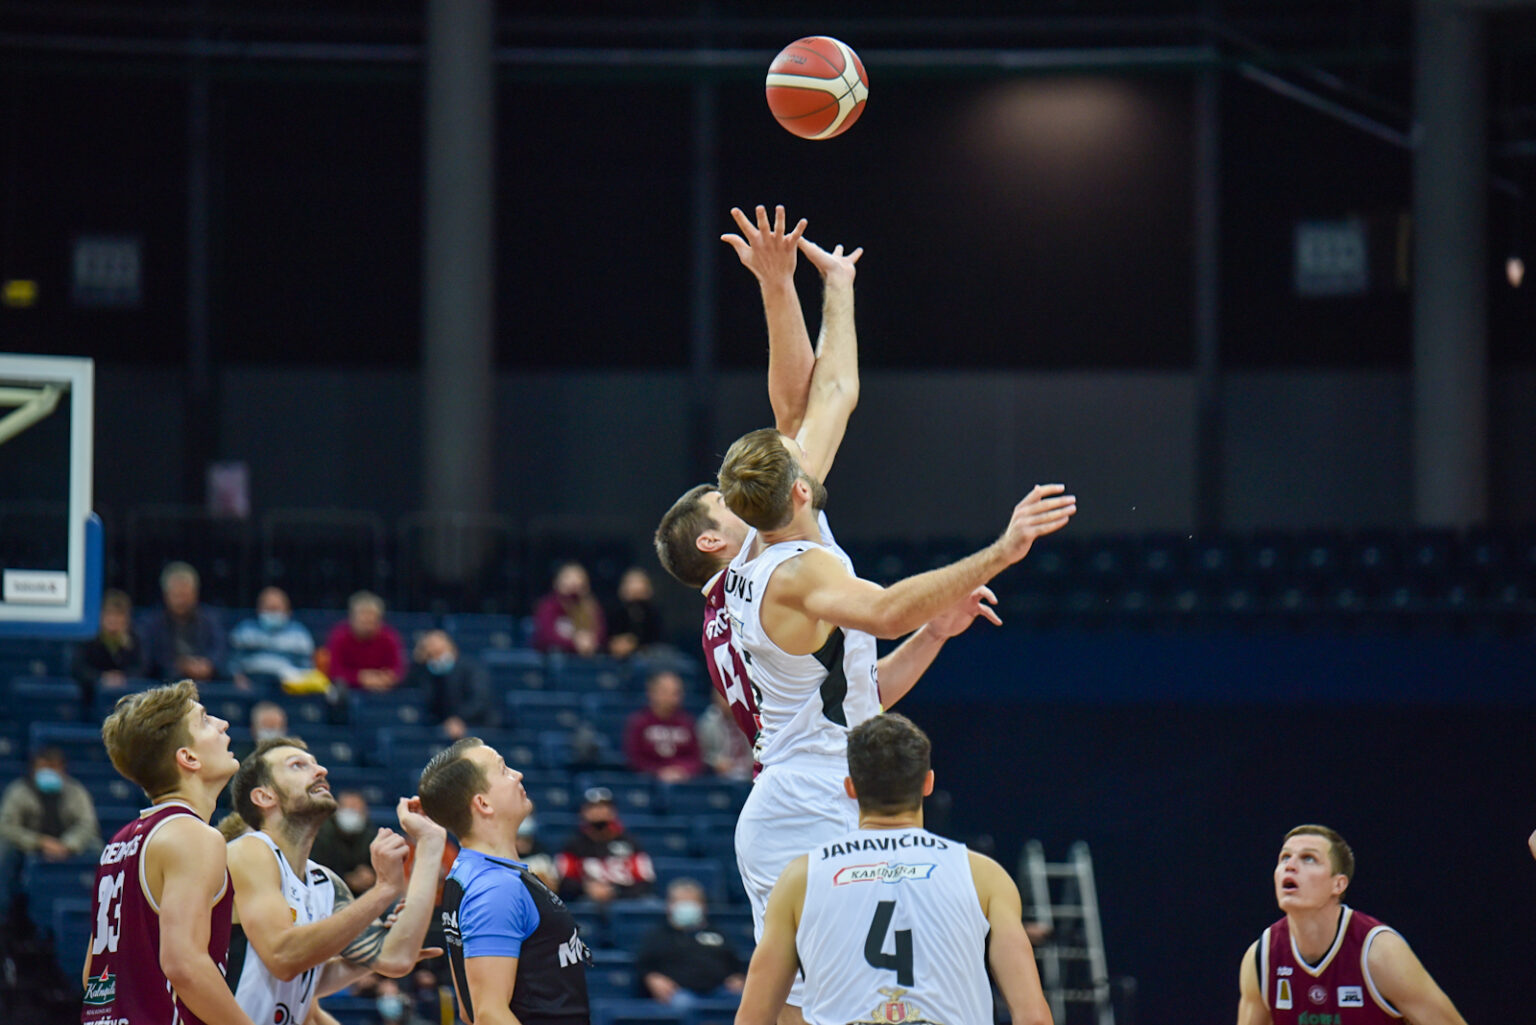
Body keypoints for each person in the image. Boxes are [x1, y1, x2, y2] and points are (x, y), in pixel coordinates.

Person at [736, 714, 1052, 1025]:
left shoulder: (801, 878)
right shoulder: (983, 875)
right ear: (928, 783)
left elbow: (753, 1018)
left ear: (850, 787)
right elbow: (1033, 1018)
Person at [223, 737, 448, 1025]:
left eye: (316, 764)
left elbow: (395, 958)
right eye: (298, 765)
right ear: (265, 796)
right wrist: (383, 890)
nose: (321, 771)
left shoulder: (325, 882)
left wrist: (430, 843)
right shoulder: (249, 850)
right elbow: (283, 957)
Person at [83, 679, 255, 1025]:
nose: (223, 724)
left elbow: (94, 973)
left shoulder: (119, 842)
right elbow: (184, 965)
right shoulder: (193, 836)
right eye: (205, 720)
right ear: (188, 757)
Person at [417, 737, 592, 1025]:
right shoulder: (496, 887)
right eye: (503, 770)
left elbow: (468, 1009)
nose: (518, 774)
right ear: (483, 803)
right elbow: (489, 1015)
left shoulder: (466, 874)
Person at [1235, 825, 1469, 1025]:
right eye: (1285, 857)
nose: (1290, 865)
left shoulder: (1380, 952)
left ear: (1338, 884)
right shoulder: (1262, 958)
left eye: (1309, 858)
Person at [0, 748, 101, 907]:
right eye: (43, 767)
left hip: (66, 844)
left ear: (62, 769)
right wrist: (39, 842)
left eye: (53, 767)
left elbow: (88, 825)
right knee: (4, 848)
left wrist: (68, 844)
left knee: (97, 848)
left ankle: (97, 901)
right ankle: (4, 907)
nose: (48, 772)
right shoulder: (18, 791)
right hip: (30, 845)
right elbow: (6, 826)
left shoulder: (76, 791)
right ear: (33, 769)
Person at [635, 877, 745, 1007]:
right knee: (683, 1004)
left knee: (743, 1002)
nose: (687, 906)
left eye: (692, 902)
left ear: (703, 906)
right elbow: (645, 967)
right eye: (681, 902)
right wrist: (653, 978)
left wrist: (737, 978)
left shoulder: (717, 934)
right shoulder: (658, 935)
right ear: (670, 906)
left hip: (720, 991)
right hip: (679, 993)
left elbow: (735, 965)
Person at [555, 787, 655, 905]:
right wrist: (586, 889)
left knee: (650, 904)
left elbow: (645, 879)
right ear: (584, 812)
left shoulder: (630, 842)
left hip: (626, 898)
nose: (599, 812)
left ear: (613, 811)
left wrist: (615, 891)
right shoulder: (573, 845)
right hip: (586, 899)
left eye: (604, 807)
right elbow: (563, 880)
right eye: (593, 807)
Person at [142, 561, 228, 682]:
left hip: (208, 684)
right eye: (177, 595)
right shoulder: (151, 623)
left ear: (195, 594)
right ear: (166, 595)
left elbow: (220, 650)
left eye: (185, 595)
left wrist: (208, 665)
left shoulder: (211, 619)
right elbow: (151, 659)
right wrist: (180, 666)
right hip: (164, 684)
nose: (181, 601)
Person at [403, 630, 494, 739]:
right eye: (430, 655)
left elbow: (479, 700)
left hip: (476, 725)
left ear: (452, 649)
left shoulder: (471, 668)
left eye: (439, 652)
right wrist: (417, 661)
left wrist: (459, 719)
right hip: (441, 726)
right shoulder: (426, 673)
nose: (436, 658)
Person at [622, 670, 704, 783]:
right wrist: (658, 772)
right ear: (652, 693)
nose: (672, 698)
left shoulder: (687, 722)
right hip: (649, 782)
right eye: (665, 692)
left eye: (676, 693)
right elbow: (634, 759)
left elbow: (696, 758)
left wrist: (683, 770)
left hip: (683, 781)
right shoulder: (639, 722)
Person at [70, 587, 144, 710]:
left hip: (129, 702)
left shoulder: (135, 640)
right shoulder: (88, 638)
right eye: (109, 614)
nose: (113, 620)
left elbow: (142, 668)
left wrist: (123, 678)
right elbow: (79, 668)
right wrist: (102, 678)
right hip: (91, 701)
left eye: (119, 615)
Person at [228, 586, 317, 686]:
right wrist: (238, 678)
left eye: (276, 609)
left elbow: (306, 666)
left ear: (288, 611)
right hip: (251, 685)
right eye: (268, 609)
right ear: (259, 610)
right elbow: (233, 662)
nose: (272, 613)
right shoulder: (245, 630)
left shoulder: (299, 634)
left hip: (288, 688)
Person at [325, 591, 406, 692]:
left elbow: (398, 669)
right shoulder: (339, 636)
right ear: (352, 619)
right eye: (363, 622)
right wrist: (360, 678)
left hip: (384, 692)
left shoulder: (389, 637)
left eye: (371, 622)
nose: (368, 627)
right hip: (348, 692)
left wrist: (386, 678)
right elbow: (334, 671)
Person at [310, 788, 379, 895]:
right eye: (347, 807)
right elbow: (315, 871)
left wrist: (371, 876)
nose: (351, 812)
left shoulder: (371, 835)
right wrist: (346, 880)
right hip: (327, 892)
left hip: (363, 894)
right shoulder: (321, 835)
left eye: (356, 808)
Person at [532, 562, 606, 657]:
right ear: (557, 582)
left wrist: (590, 641)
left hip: (585, 657)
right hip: (553, 658)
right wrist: (574, 643)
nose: (573, 581)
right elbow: (546, 636)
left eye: (578, 577)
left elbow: (600, 633)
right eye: (568, 577)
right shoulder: (548, 606)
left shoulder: (591, 606)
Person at [606, 567, 664, 659]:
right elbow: (609, 639)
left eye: (639, 583)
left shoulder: (653, 613)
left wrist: (636, 644)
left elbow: (658, 639)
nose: (636, 587)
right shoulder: (615, 611)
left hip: (650, 658)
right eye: (631, 583)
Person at [698, 689, 754, 781]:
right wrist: (716, 762)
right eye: (724, 697)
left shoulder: (749, 719)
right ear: (716, 699)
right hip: (720, 777)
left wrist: (752, 763)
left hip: (748, 774)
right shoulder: (708, 722)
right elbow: (702, 754)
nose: (729, 701)